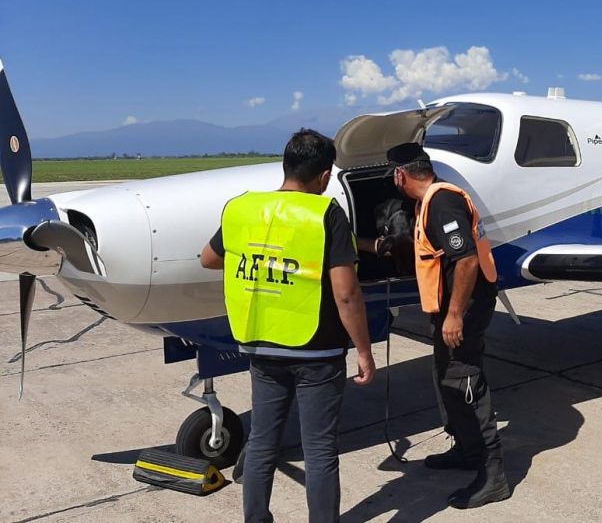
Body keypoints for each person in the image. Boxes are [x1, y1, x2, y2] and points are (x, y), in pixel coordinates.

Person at [200, 128, 376, 522]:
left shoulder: (241, 209)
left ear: (286, 165)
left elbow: (207, 259)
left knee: (262, 443)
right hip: (318, 349)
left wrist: (259, 260)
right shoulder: (325, 214)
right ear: (325, 175)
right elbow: (346, 295)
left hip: (261, 346)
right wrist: (364, 350)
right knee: (319, 450)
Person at [386, 141, 511, 509]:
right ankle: (468, 450)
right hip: (453, 304)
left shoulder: (442, 201)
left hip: (465, 306)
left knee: (464, 379)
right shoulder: (430, 202)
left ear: (401, 174)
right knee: (447, 375)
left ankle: (493, 476)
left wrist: (454, 314)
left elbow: (467, 260)